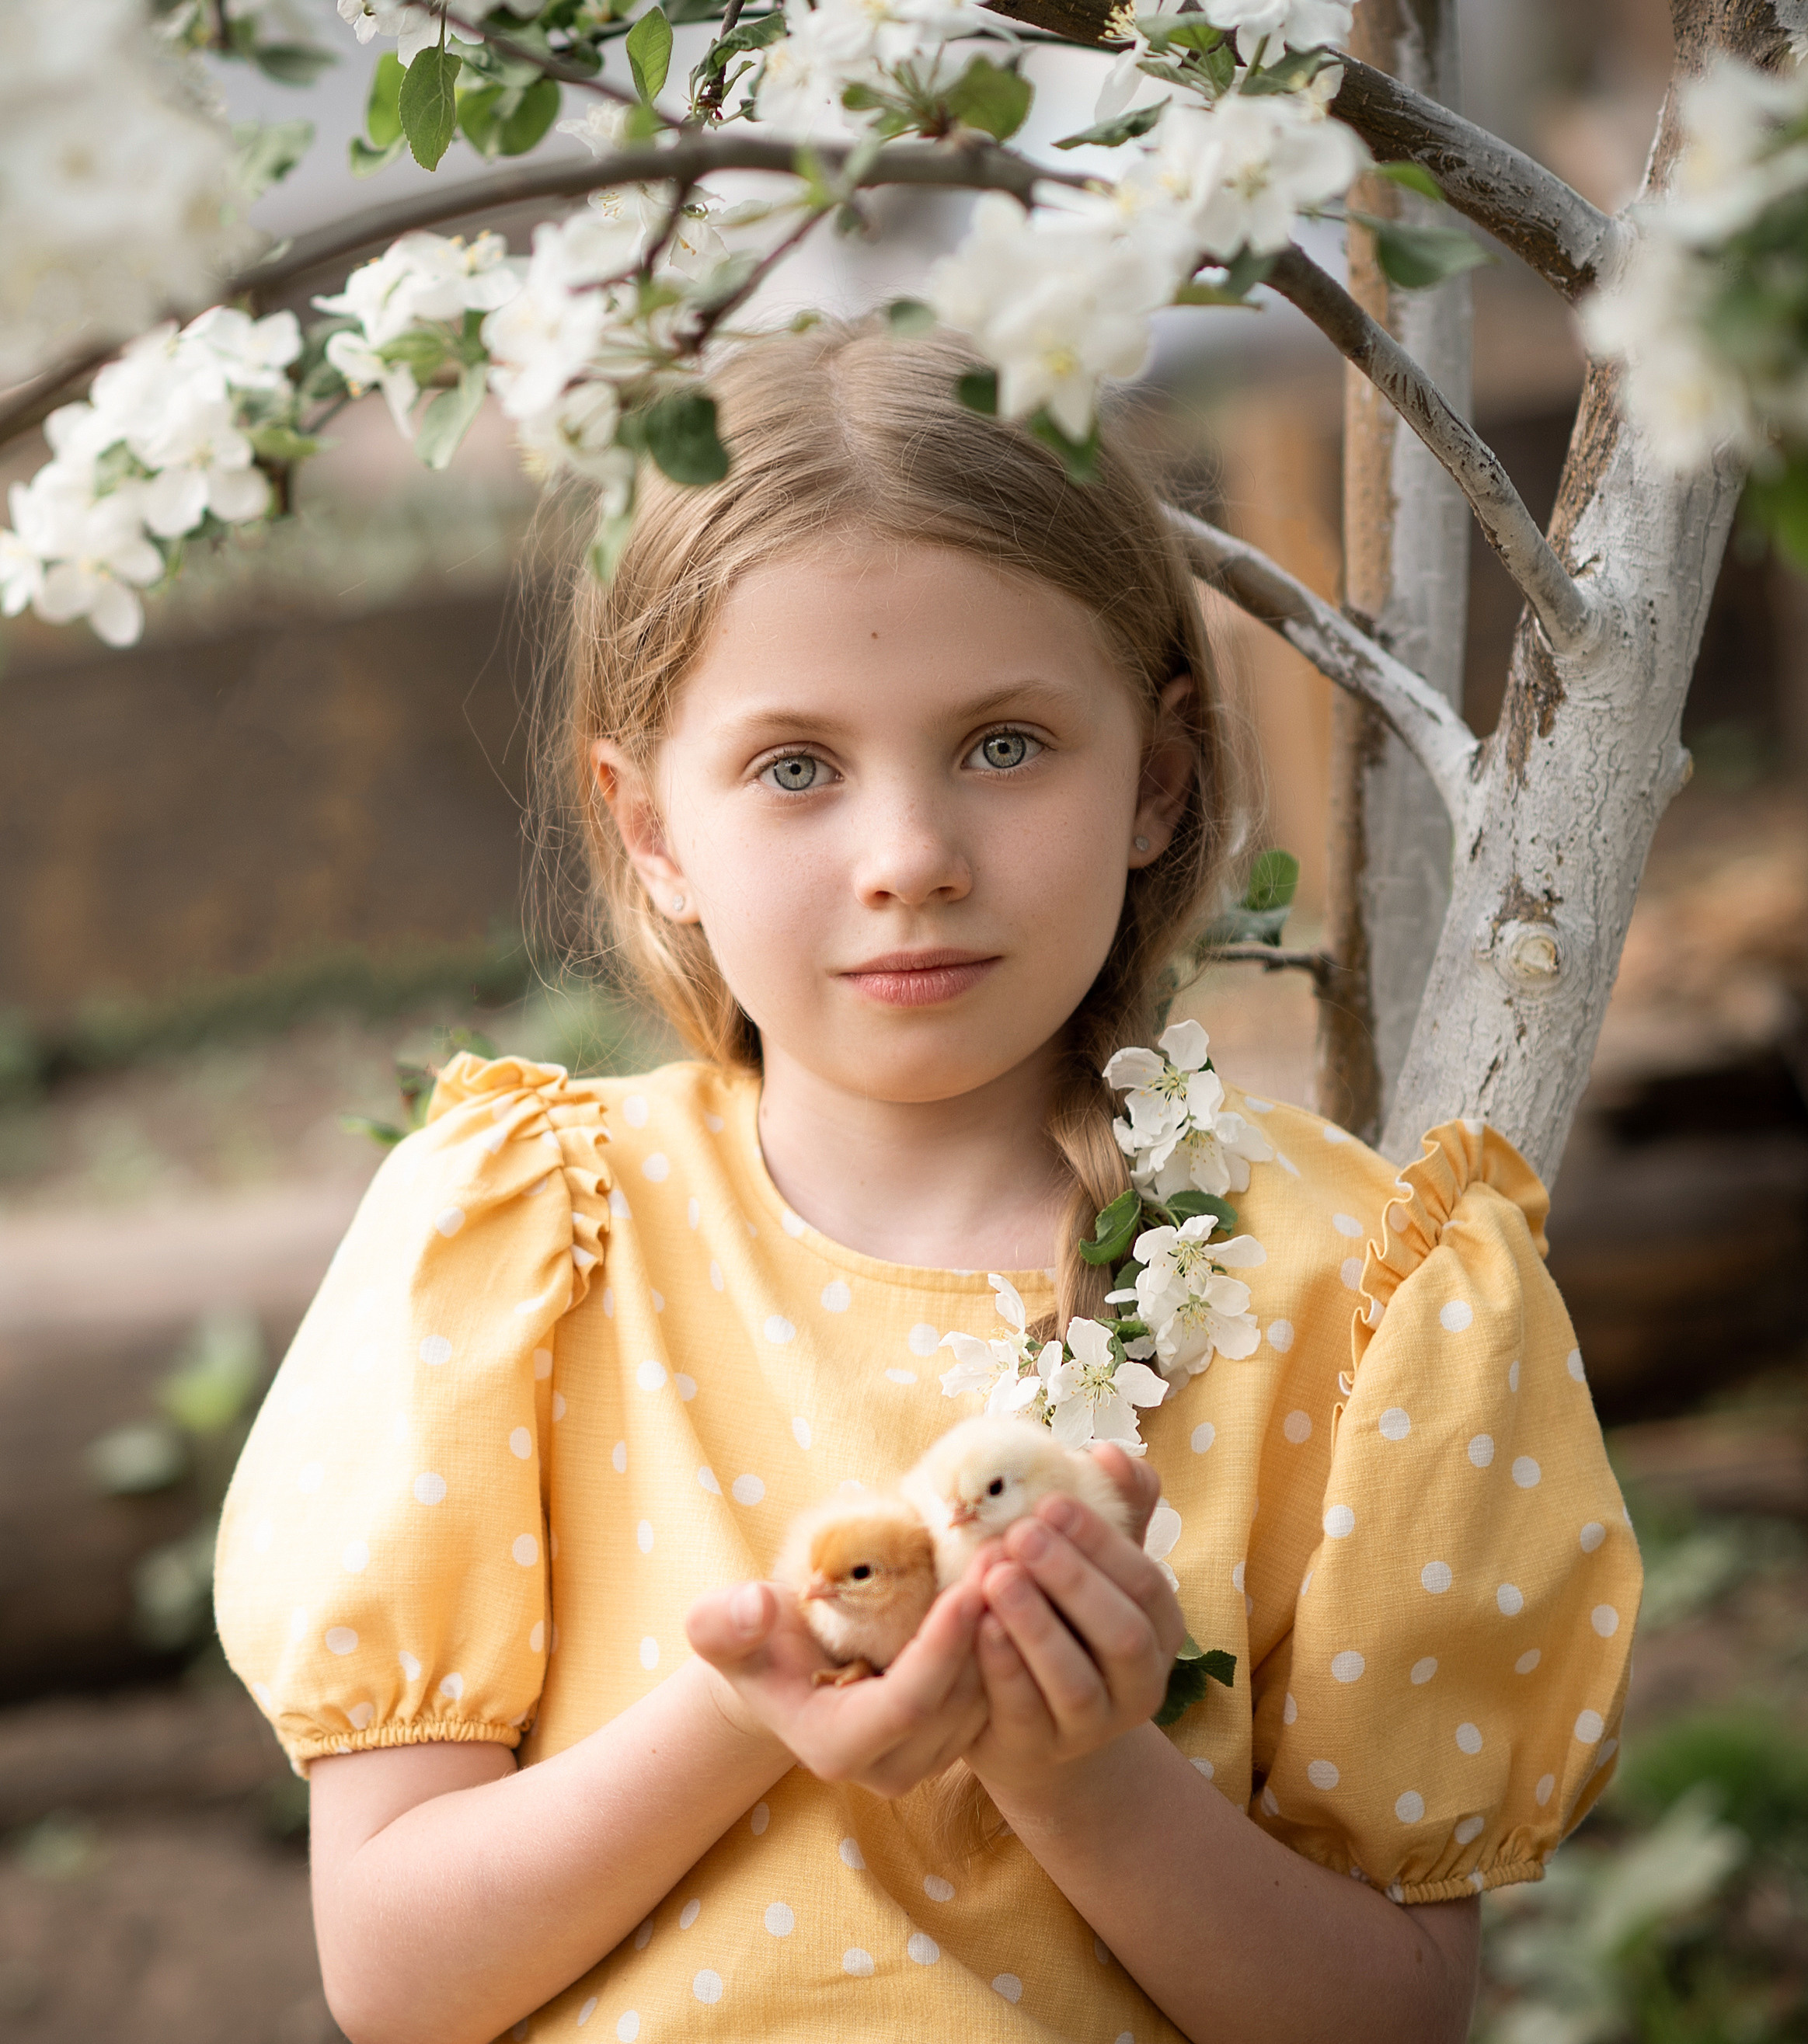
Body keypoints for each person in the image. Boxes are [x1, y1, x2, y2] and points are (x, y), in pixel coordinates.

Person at [214, 319, 1641, 2044]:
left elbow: (1391, 2018)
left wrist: (1088, 1777)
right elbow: (396, 1977)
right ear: (652, 824)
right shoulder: (526, 1249)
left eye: (1004, 743)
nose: (910, 860)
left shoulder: (1346, 1292)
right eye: (796, 766)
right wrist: (749, 1708)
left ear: (1159, 777)